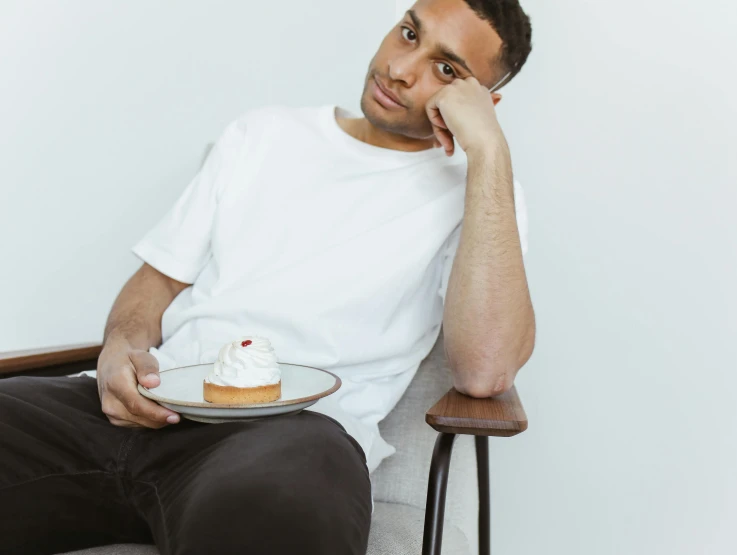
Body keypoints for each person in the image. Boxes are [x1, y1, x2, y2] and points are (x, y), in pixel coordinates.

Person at [0, 0, 535, 553]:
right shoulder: (264, 133)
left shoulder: (482, 199)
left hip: (286, 438)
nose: (401, 68)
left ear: (483, 102)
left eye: (446, 70)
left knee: (279, 515)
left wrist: (489, 153)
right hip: (146, 406)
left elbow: (484, 370)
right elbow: (155, 284)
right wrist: (118, 352)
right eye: (407, 34)